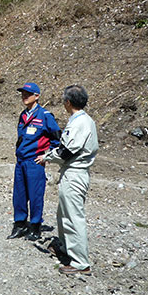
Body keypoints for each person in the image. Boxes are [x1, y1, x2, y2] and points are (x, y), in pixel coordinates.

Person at [35, 84, 99, 275]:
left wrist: (46, 157)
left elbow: (66, 151)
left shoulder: (81, 123)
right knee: (63, 214)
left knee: (73, 217)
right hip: (70, 172)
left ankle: (80, 262)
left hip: (75, 172)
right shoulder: (82, 120)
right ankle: (65, 247)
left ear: (68, 102)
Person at [7, 82, 61, 241]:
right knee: (19, 194)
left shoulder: (45, 116)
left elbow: (57, 138)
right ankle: (20, 224)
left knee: (35, 195)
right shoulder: (23, 115)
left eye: (28, 94)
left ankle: (35, 226)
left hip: (34, 162)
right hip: (21, 161)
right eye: (23, 93)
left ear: (37, 96)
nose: (24, 96)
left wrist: (47, 156)